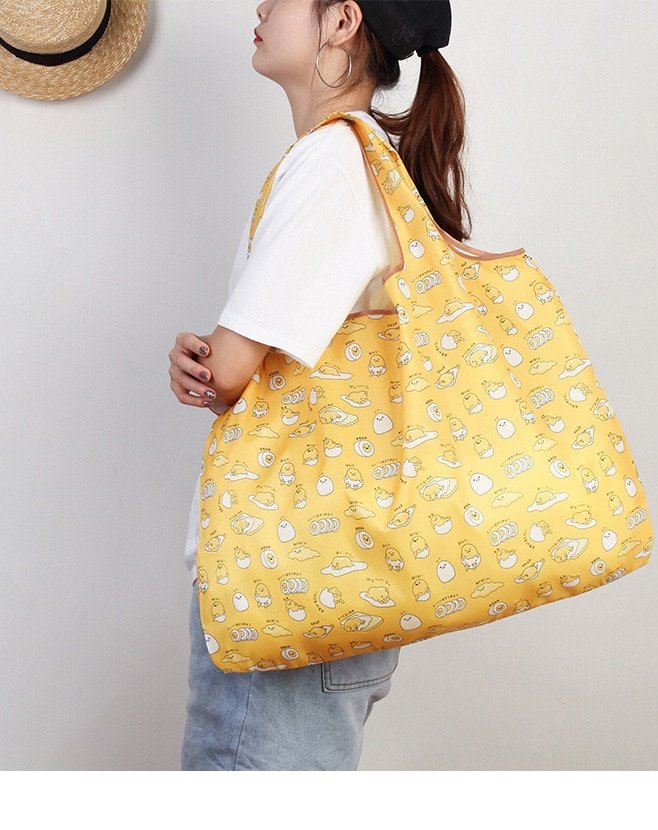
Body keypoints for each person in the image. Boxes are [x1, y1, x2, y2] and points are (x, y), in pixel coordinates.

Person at [168, 0, 464, 771]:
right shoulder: (362, 160)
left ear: (342, 22)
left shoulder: (330, 161)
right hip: (333, 573)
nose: (261, 8)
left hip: (285, 579)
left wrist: (206, 362)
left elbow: (231, 371)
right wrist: (219, 362)